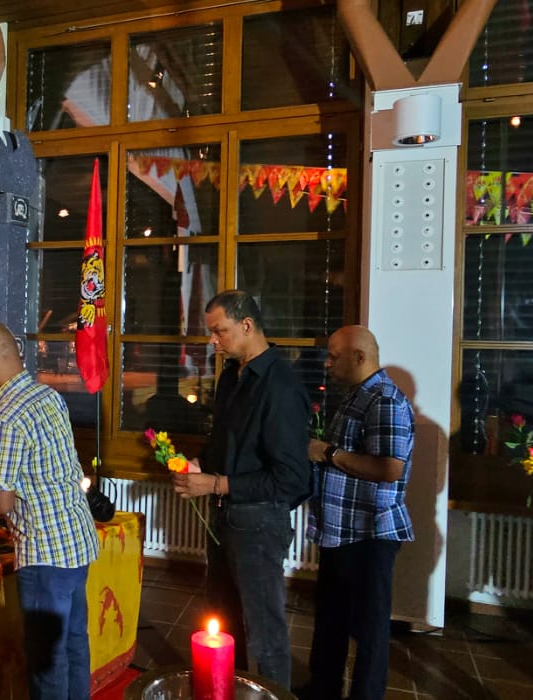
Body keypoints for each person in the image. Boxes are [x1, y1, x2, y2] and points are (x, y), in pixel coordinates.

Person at [0, 321, 99, 700]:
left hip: (45, 554)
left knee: (47, 660)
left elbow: (1, 502)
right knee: (74, 642)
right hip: (76, 541)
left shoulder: (4, 417)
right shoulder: (47, 396)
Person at [172, 290, 309, 689]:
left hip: (259, 523)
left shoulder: (280, 385)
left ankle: (269, 693)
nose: (212, 341)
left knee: (263, 633)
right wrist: (200, 465)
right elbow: (226, 443)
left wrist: (216, 483)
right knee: (223, 621)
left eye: (220, 331)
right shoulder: (232, 375)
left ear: (247, 325)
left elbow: (291, 478)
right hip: (225, 516)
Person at [300, 326, 414, 700]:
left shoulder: (385, 400)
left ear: (360, 357)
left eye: (334, 356)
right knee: (331, 616)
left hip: (369, 532)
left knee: (369, 627)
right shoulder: (357, 396)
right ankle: (323, 688)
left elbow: (389, 468)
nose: (328, 363)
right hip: (341, 529)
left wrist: (328, 453)